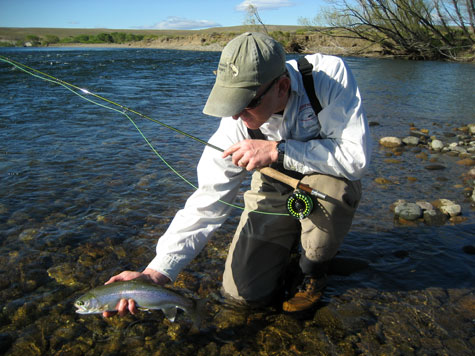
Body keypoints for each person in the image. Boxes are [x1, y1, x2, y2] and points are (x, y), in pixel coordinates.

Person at [104, 32, 371, 317]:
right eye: (231, 103)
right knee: (241, 295)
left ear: (282, 87)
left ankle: (314, 272)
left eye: (247, 103)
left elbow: (356, 159)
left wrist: (279, 151)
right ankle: (290, 243)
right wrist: (157, 272)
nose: (235, 115)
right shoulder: (235, 124)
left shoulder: (328, 77)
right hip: (274, 182)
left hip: (326, 180)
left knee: (332, 191)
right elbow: (207, 201)